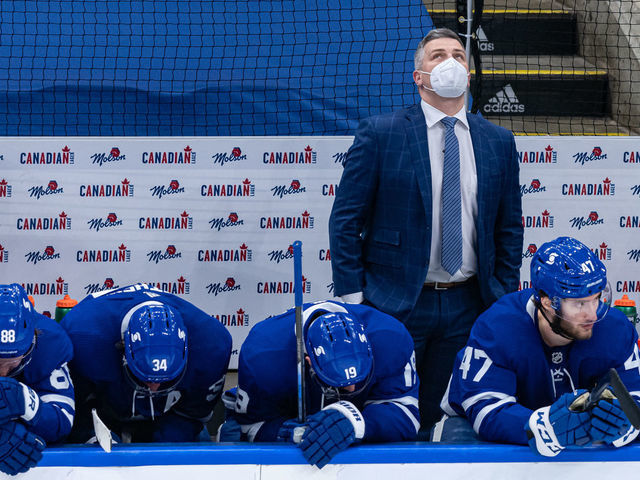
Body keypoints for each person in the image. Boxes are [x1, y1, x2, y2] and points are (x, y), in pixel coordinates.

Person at [328, 27, 523, 431]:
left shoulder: (497, 141)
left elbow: (508, 227)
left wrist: (500, 293)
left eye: (458, 54)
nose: (449, 61)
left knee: (444, 416)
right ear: (419, 77)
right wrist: (355, 298)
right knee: (384, 412)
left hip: (469, 304)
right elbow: (345, 220)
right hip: (394, 302)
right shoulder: (381, 133)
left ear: (469, 74)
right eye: (437, 55)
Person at [437, 236, 640, 456]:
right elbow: (485, 406)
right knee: (459, 440)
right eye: (579, 303)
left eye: (597, 298)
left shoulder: (616, 328)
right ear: (547, 302)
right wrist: (542, 427)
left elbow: (635, 396)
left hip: (577, 432)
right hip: (481, 426)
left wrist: (626, 423)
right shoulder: (498, 327)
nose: (592, 314)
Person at [219, 300, 419, 469]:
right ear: (309, 362)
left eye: (359, 381)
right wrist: (291, 432)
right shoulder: (263, 355)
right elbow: (250, 427)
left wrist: (359, 422)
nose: (352, 390)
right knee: (231, 432)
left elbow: (407, 415)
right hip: (287, 429)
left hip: (360, 438)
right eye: (340, 386)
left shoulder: (390, 338)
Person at [61, 283, 232, 443]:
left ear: (188, 351)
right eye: (146, 379)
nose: (154, 388)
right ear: (123, 351)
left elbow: (193, 414)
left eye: (164, 380)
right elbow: (73, 410)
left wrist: (162, 450)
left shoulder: (212, 345)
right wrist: (91, 435)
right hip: (104, 410)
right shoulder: (83, 340)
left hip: (169, 415)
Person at [0, 283, 75, 475]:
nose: (3, 373)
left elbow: (62, 421)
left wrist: (24, 401)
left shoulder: (51, 342)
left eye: (12, 362)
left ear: (33, 340)